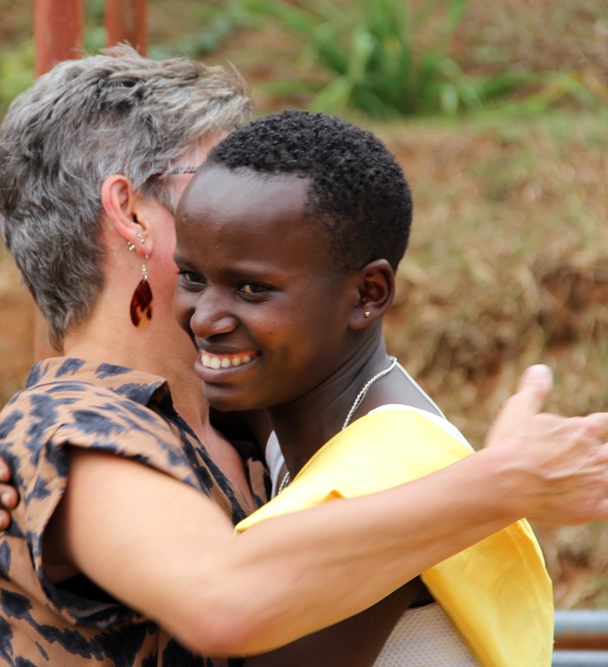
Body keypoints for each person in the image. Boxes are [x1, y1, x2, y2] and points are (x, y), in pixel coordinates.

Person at [0, 47, 608, 666]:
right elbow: (224, 600)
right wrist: (502, 480)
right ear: (132, 214)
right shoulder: (71, 435)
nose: (246, 193)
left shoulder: (243, 426)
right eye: (216, 177)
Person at [172, 109, 550, 666]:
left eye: (252, 288)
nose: (206, 318)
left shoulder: (379, 483)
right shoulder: (314, 417)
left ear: (367, 294)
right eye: (192, 278)